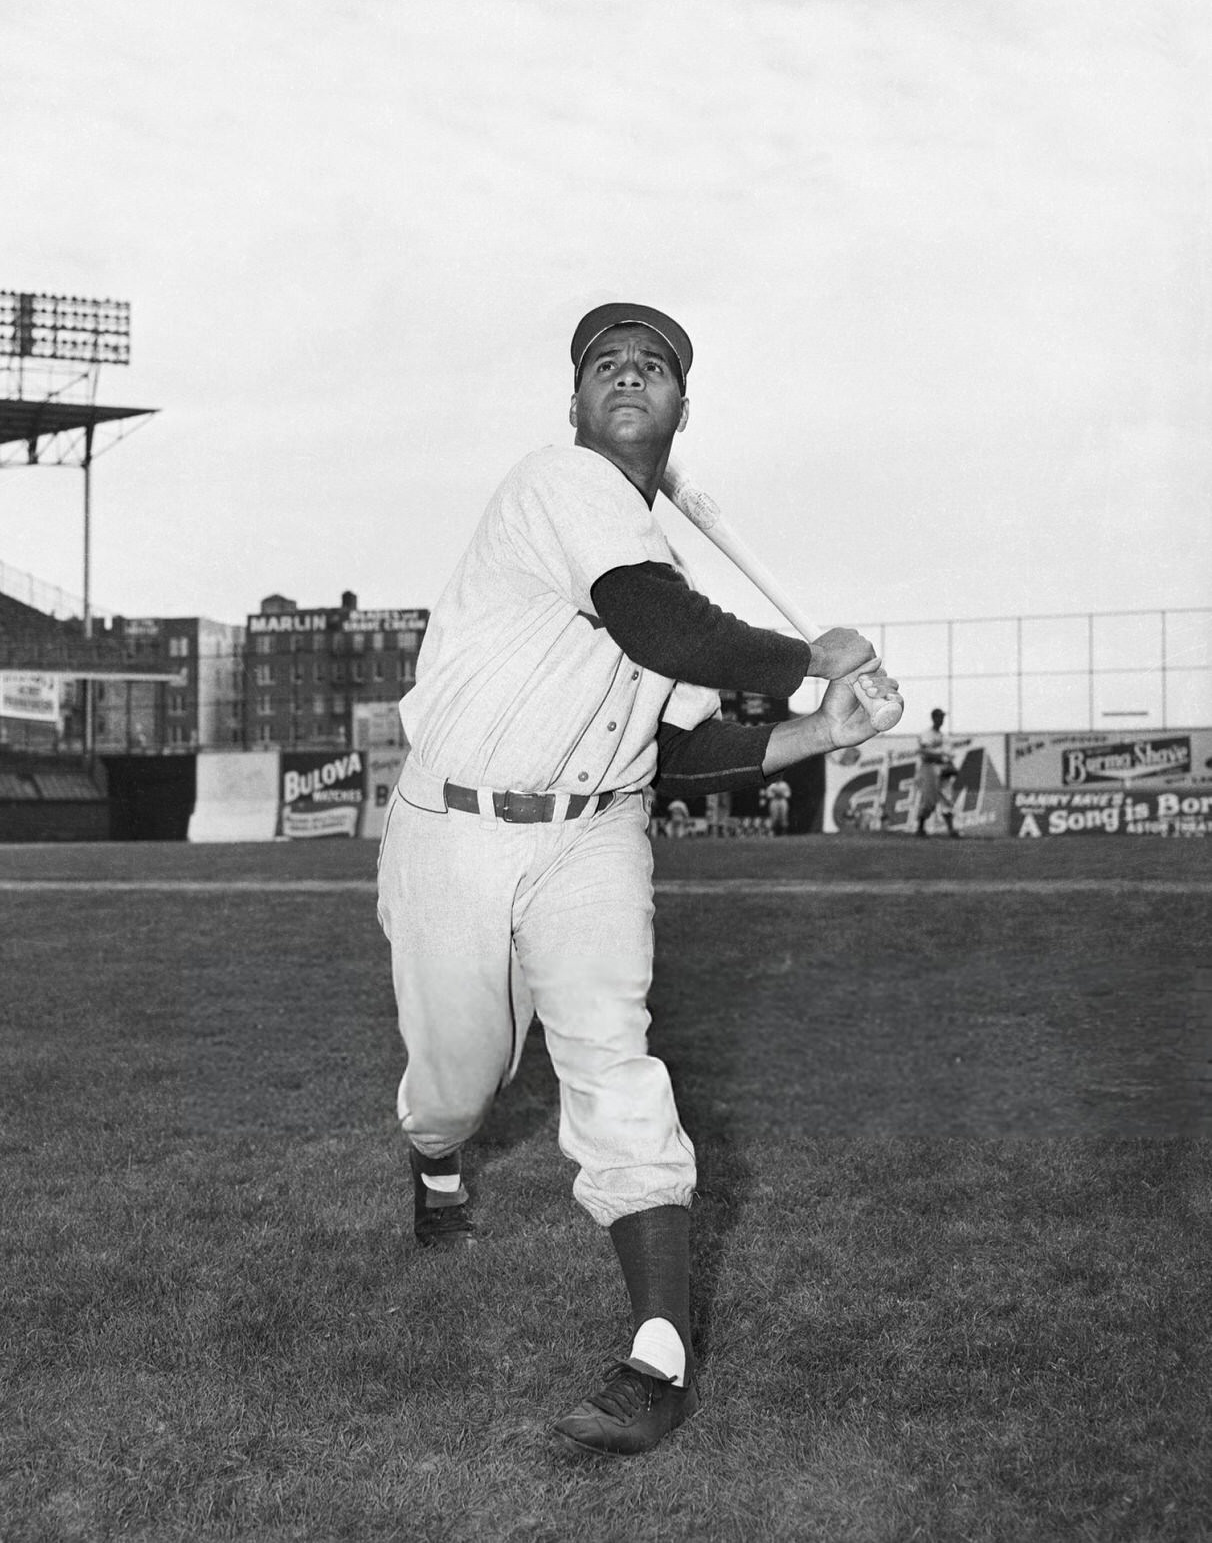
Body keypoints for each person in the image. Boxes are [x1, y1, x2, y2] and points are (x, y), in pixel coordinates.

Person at [375, 301, 900, 1458]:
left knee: (615, 1062)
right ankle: (438, 1157)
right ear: (573, 403)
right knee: (453, 1079)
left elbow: (672, 747)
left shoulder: (659, 550)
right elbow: (658, 626)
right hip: (455, 824)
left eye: (653, 365)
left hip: (594, 833)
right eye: (604, 361)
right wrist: (804, 659)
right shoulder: (555, 486)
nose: (627, 373)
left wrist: (824, 731)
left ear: (679, 407)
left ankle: (655, 1352)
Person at [915, 708, 959, 837]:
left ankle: (951, 830)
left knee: (947, 799)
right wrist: (941, 757)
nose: (941, 720)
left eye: (943, 717)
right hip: (929, 768)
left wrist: (952, 767)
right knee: (929, 800)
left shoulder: (945, 738)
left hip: (943, 769)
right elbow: (924, 752)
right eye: (939, 717)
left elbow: (949, 756)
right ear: (933, 718)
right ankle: (920, 828)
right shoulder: (926, 734)